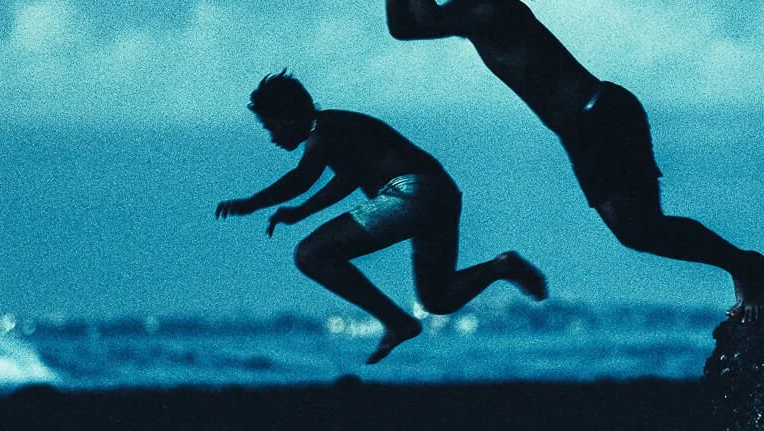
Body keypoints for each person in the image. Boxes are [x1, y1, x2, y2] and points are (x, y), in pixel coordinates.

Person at [383, 0, 764, 320]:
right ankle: (741, 263)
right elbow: (404, 27)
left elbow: (425, 15)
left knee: (643, 229)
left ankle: (743, 264)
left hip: (603, 116)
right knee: (637, 233)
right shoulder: (470, 18)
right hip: (582, 130)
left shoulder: (497, 12)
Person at [216, 70, 547, 364]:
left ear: (288, 117)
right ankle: (501, 266)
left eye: (271, 127)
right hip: (440, 193)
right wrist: (300, 212)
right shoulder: (339, 129)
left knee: (310, 254)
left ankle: (397, 322)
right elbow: (347, 180)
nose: (272, 138)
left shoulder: (324, 129)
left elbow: (302, 177)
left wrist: (253, 202)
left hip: (410, 193)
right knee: (438, 298)